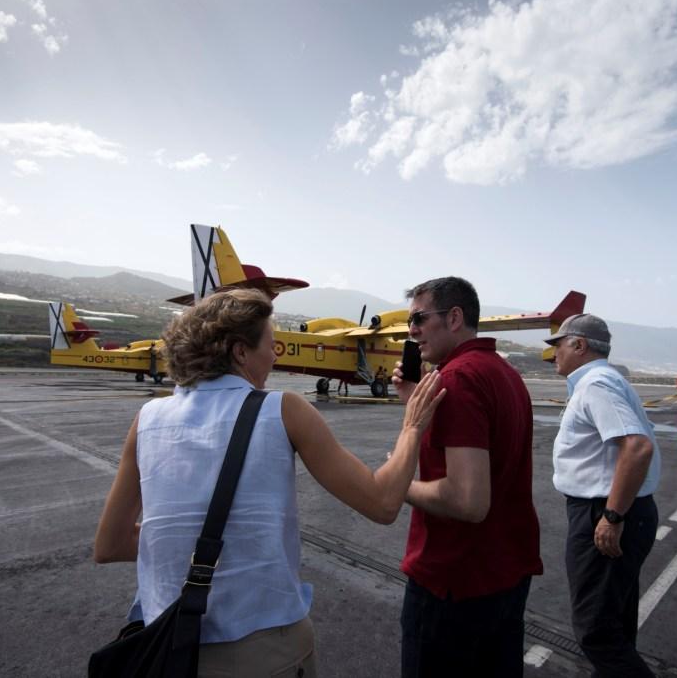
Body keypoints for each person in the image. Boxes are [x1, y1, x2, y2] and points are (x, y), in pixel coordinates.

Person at [93, 289, 445, 677]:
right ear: (241, 352)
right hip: (263, 652)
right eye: (269, 344)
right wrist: (413, 426)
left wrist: (185, 547)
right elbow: (382, 503)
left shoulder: (147, 418)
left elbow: (109, 545)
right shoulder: (284, 408)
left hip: (164, 649)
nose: (275, 355)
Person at [390, 276, 542, 678]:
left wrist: (399, 485)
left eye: (420, 318)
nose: (412, 330)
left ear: (454, 317)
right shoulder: (504, 374)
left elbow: (468, 500)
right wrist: (414, 405)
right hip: (504, 576)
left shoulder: (456, 380)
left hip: (453, 584)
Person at [544, 314, 661, 677]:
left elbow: (637, 447)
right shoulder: (604, 381)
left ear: (579, 345)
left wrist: (612, 516)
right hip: (620, 508)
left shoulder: (597, 383)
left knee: (596, 631)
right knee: (616, 622)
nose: (554, 355)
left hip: (605, 510)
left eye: (558, 346)